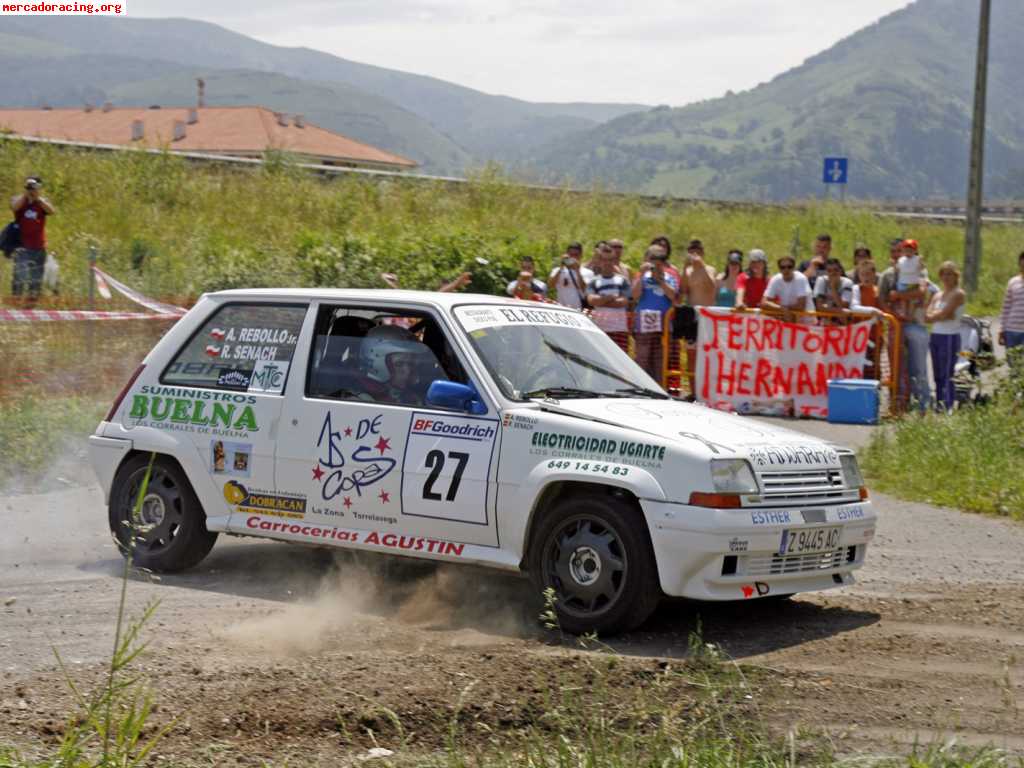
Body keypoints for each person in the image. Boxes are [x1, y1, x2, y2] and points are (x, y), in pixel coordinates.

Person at [630, 245, 678, 382]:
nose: (657, 262)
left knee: (660, 360)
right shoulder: (642, 277)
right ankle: (640, 386)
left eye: (661, 259)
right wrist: (641, 275)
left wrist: (661, 281)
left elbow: (673, 296)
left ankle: (659, 389)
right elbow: (634, 295)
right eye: (653, 258)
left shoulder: (670, 277)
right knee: (642, 358)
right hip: (644, 325)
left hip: (663, 325)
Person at [925, 262, 966, 413]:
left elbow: (945, 314)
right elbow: (928, 315)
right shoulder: (937, 295)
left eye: (950, 274)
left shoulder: (958, 293)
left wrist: (940, 316)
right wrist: (940, 316)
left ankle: (948, 404)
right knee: (937, 372)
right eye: (944, 274)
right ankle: (939, 402)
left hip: (950, 336)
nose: (946, 277)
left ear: (956, 276)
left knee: (947, 372)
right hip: (936, 335)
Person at [678, 239, 717, 395]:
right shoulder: (688, 271)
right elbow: (683, 291)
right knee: (691, 355)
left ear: (702, 253)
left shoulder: (710, 269)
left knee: (707, 356)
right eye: (691, 251)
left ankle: (707, 391)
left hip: (707, 317)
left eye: (698, 251)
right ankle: (694, 392)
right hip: (691, 317)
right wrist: (685, 269)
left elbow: (711, 286)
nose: (695, 254)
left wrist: (700, 266)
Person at [10, 176, 55, 307]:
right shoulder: (20, 200)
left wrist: (38, 198)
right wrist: (26, 196)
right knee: (19, 276)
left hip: (38, 247)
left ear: (38, 189)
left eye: (34, 188)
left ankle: (30, 307)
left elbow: (51, 211)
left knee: (36, 279)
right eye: (29, 187)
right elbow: (14, 207)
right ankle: (15, 304)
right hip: (21, 247)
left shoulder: (41, 203)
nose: (31, 190)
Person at [586, 246, 631, 352]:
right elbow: (591, 301)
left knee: (622, 362)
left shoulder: (622, 280)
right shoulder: (593, 281)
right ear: (600, 261)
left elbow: (623, 302)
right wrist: (611, 297)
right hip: (601, 329)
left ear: (614, 261)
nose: (607, 263)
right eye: (604, 260)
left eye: (610, 260)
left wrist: (601, 301)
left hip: (619, 329)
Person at [761, 256, 813, 320]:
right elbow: (764, 302)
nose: (786, 270)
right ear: (779, 269)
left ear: (794, 268)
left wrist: (784, 309)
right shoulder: (775, 279)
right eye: (782, 267)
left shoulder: (800, 278)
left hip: (807, 320)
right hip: (788, 319)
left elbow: (801, 305)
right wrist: (782, 309)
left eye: (789, 267)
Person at [547, 242, 594, 309]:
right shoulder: (557, 270)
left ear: (581, 255)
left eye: (576, 255)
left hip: (579, 309)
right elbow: (550, 285)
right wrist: (561, 267)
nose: (573, 258)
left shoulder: (588, 272)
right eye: (571, 255)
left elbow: (585, 290)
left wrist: (577, 271)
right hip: (561, 308)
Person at [998, 250, 1024, 358]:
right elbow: (1006, 307)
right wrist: (1002, 329)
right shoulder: (1013, 282)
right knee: (1013, 364)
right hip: (1011, 330)